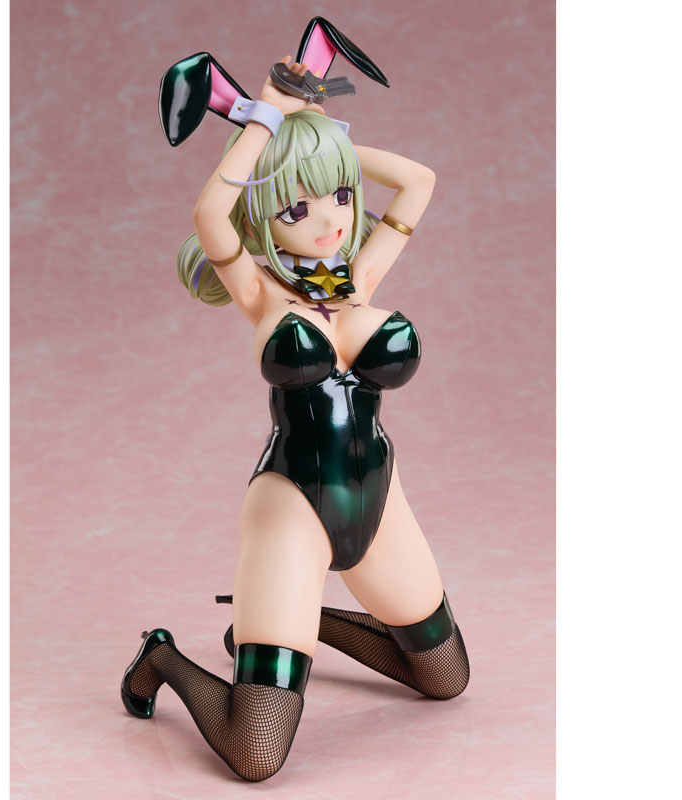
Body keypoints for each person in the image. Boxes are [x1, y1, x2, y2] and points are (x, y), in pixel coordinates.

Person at [120, 54, 470, 782]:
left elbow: (419, 180)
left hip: (379, 500)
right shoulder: (258, 291)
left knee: (445, 677)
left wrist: (316, 141)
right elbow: (209, 214)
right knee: (256, 753)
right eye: (294, 207)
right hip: (293, 508)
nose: (329, 220)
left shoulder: (360, 274)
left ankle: (292, 625)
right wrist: (265, 125)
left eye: (339, 196)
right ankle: (162, 657)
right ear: (263, 215)